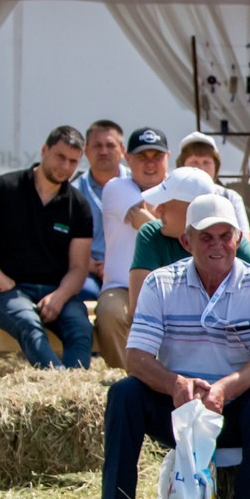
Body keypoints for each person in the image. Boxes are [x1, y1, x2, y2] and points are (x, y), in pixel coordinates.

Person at [105, 193, 250, 499]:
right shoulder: (160, 283)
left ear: (239, 239)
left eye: (225, 236)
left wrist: (226, 388)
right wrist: (175, 384)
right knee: (124, 393)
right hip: (177, 408)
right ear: (187, 241)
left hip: (235, 407)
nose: (217, 245)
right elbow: (135, 358)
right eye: (206, 237)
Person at [0, 125, 94, 371]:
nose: (65, 167)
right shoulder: (7, 187)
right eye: (60, 157)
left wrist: (60, 296)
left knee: (81, 328)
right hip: (4, 291)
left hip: (56, 292)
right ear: (44, 150)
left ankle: (71, 389)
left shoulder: (78, 205)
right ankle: (61, 387)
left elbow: (79, 267)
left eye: (73, 161)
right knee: (28, 322)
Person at [128, 169, 250, 312]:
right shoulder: (151, 234)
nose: (157, 210)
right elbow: (139, 309)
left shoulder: (230, 240)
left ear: (192, 209)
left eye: (165, 203)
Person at [92, 127, 170, 367]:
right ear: (127, 158)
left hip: (173, 288)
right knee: (110, 313)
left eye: (156, 157)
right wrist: (174, 221)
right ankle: (128, 379)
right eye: (141, 157)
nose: (150, 164)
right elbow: (154, 229)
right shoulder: (116, 187)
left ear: (168, 157)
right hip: (122, 287)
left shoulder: (178, 189)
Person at [77, 118, 126, 289]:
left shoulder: (138, 186)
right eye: (97, 146)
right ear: (86, 151)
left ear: (122, 150)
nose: (104, 151)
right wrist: (87, 263)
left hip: (129, 269)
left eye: (110, 145)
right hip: (86, 269)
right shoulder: (73, 191)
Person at [173, 131, 250, 234]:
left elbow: (244, 239)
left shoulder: (230, 197)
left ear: (216, 166)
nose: (201, 168)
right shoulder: (173, 198)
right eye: (194, 162)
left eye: (206, 162)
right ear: (182, 165)